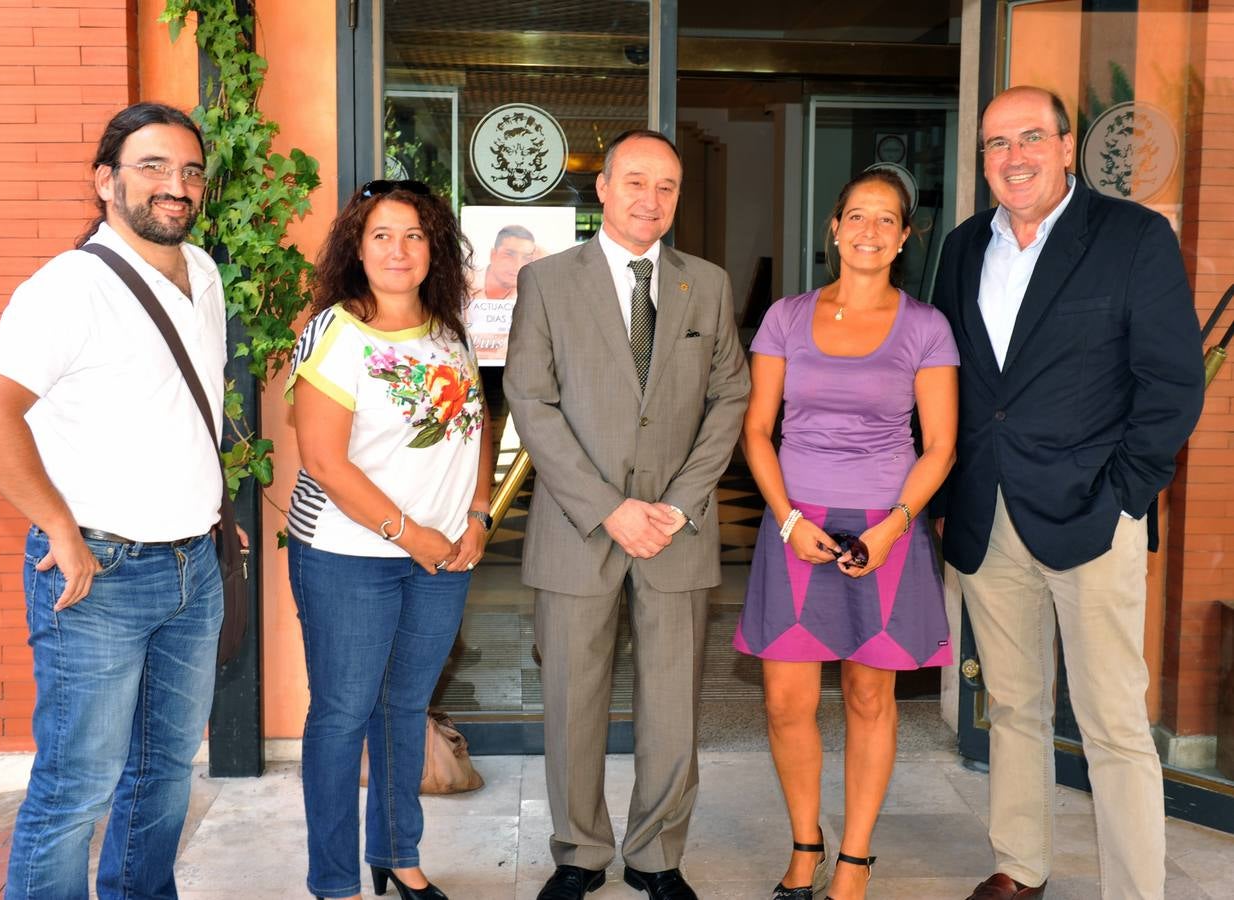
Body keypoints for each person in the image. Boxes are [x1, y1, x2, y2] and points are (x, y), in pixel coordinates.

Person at [932, 86, 1206, 900]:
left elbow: (1172, 382)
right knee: (1012, 708)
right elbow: (947, 379)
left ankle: (1134, 889)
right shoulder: (960, 246)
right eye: (994, 144)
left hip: (1093, 512)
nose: (1011, 158)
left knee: (1113, 725)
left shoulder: (1132, 238)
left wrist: (1128, 493)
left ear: (1065, 145)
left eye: (1027, 139)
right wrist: (947, 492)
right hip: (987, 513)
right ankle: (1022, 865)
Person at [0, 103, 230, 899]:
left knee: (165, 776)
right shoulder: (69, 287)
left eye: (189, 170)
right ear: (104, 180)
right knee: (76, 790)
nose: (175, 185)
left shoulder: (203, 271)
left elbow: (179, 408)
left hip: (191, 568)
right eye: (152, 166)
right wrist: (59, 530)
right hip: (98, 574)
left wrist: (209, 516)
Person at [505, 129, 750, 900]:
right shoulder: (546, 282)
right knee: (573, 701)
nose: (652, 199)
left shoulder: (705, 285)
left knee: (672, 703)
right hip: (581, 527)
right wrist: (611, 509)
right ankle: (579, 853)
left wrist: (677, 507)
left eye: (668, 186)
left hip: (677, 531)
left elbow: (729, 397)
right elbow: (531, 401)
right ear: (603, 188)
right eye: (636, 182)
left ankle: (657, 857)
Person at [734, 170, 959, 900]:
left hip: (884, 530)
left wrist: (896, 529)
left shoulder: (926, 326)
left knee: (870, 698)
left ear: (903, 238)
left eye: (884, 220)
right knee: (784, 703)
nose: (868, 231)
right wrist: (790, 519)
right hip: (795, 526)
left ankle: (855, 858)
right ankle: (807, 843)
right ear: (833, 229)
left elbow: (940, 446)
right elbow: (757, 429)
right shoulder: (786, 317)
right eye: (855, 216)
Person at [285, 178, 493, 900]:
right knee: (343, 716)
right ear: (357, 247)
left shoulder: (447, 326)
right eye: (381, 235)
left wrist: (477, 513)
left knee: (405, 709)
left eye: (413, 235)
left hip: (442, 559)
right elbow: (322, 460)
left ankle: (398, 857)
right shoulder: (337, 330)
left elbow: (476, 418)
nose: (398, 250)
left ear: (434, 247)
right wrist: (414, 536)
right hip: (349, 557)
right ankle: (335, 882)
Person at [469, 223, 537, 300]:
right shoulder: (464, 282)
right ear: (493, 255)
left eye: (526, 258)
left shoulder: (529, 296)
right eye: (509, 255)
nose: (518, 266)